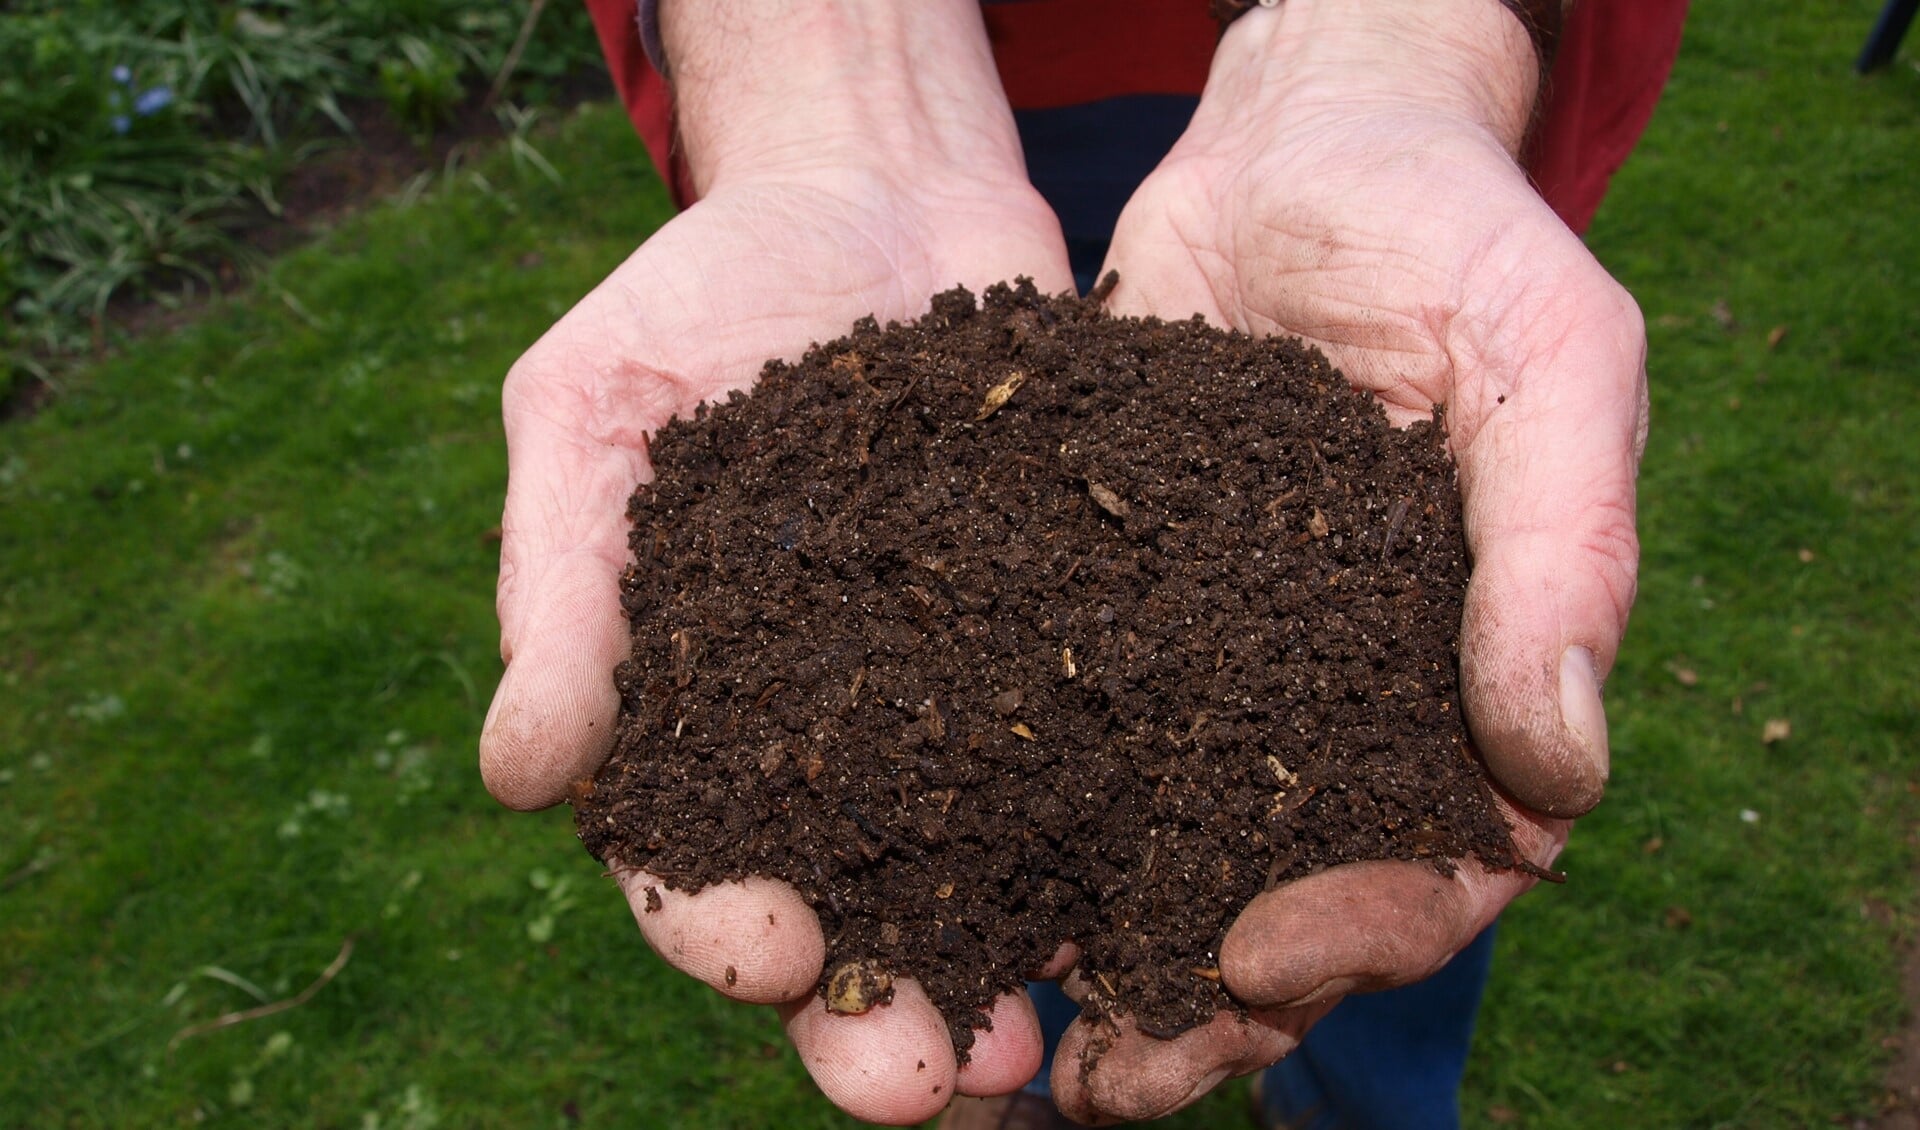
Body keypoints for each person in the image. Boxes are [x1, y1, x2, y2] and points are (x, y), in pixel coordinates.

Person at [479, 1, 1687, 1125]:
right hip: (944, 87)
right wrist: (829, 78)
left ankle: (1359, 1097)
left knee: (1380, 868)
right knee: (1039, 942)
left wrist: (1398, 51)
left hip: (1381, 72)